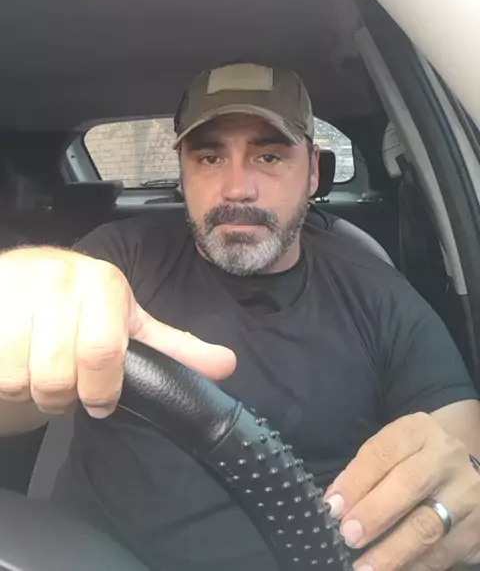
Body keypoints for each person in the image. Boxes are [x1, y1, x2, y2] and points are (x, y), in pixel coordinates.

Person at [0, 61, 479, 571]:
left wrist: (462, 483)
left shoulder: (378, 295)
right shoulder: (118, 259)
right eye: (209, 157)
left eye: (269, 156)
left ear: (313, 172)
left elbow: (460, 442)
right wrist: (24, 289)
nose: (237, 188)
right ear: (183, 173)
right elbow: (32, 329)